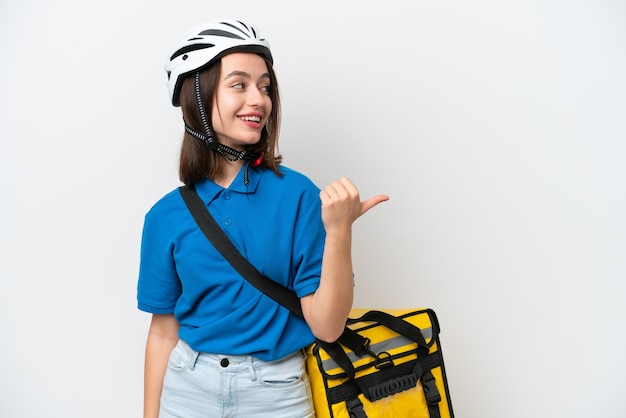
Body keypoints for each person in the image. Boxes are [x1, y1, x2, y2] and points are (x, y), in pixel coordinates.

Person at [137, 19, 389, 418]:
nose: (259, 99)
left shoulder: (299, 196)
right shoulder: (166, 216)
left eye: (265, 86)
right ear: (198, 100)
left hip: (275, 393)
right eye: (239, 85)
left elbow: (327, 328)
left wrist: (339, 232)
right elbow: (163, 332)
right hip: (187, 390)